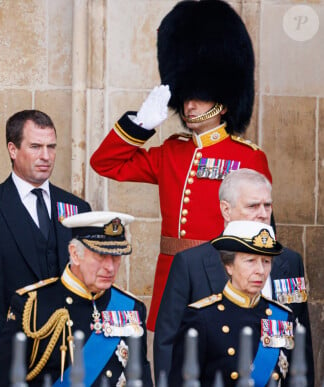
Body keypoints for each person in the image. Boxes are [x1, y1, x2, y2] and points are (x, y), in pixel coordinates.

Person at [89, 0, 272, 332]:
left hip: (221, 278)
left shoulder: (249, 157)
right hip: (171, 277)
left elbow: (263, 231)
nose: (189, 104)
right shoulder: (172, 151)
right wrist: (140, 125)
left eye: (199, 96)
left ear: (223, 101)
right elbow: (105, 163)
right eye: (186, 94)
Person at [154, 168, 314, 385]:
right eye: (252, 206)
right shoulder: (192, 263)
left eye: (267, 205)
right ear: (226, 210)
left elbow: (301, 342)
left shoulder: (290, 261)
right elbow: (168, 343)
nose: (262, 213)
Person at [0, 109, 91, 363]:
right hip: (16, 349)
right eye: (35, 146)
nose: (46, 156)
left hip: (70, 349)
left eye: (51, 147)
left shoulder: (77, 209)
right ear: (12, 149)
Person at [0, 211, 152, 386]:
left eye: (115, 257)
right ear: (75, 254)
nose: (110, 267)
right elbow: (6, 380)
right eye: (100, 256)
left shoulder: (131, 308)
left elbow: (140, 378)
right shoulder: (32, 305)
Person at [169, 220, 294, 386]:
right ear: (229, 265)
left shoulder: (283, 317)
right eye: (250, 261)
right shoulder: (202, 317)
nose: (260, 270)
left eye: (266, 261)